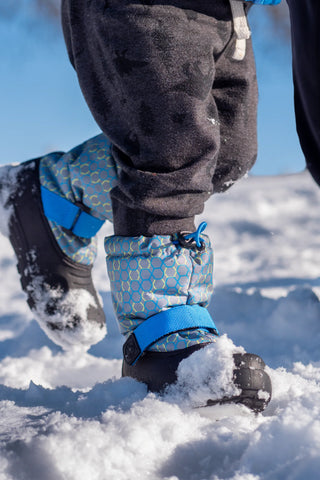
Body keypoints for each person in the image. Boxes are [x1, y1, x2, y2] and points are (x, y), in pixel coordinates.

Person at [0, 0, 275, 410]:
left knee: (228, 152)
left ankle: (59, 190)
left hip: (229, 11)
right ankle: (161, 330)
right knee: (171, 141)